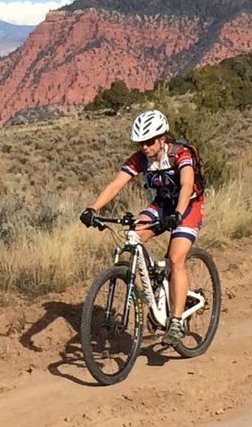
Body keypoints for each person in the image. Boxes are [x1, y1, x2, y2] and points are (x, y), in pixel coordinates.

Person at [80, 109, 204, 347]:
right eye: (140, 143)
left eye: (148, 142)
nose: (144, 147)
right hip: (161, 204)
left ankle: (176, 321)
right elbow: (115, 185)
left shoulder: (181, 154)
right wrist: (92, 209)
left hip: (187, 206)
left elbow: (187, 184)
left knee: (176, 259)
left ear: (162, 139)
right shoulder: (140, 159)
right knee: (133, 235)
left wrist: (177, 214)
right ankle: (157, 281)